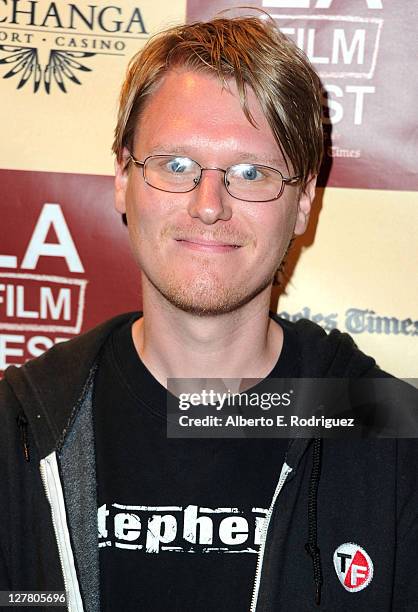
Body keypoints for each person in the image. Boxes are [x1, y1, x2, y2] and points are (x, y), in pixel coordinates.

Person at [0, 14, 417, 612]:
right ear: (122, 177)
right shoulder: (20, 429)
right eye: (175, 165)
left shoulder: (388, 432)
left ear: (302, 203)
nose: (208, 205)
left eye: (251, 173)